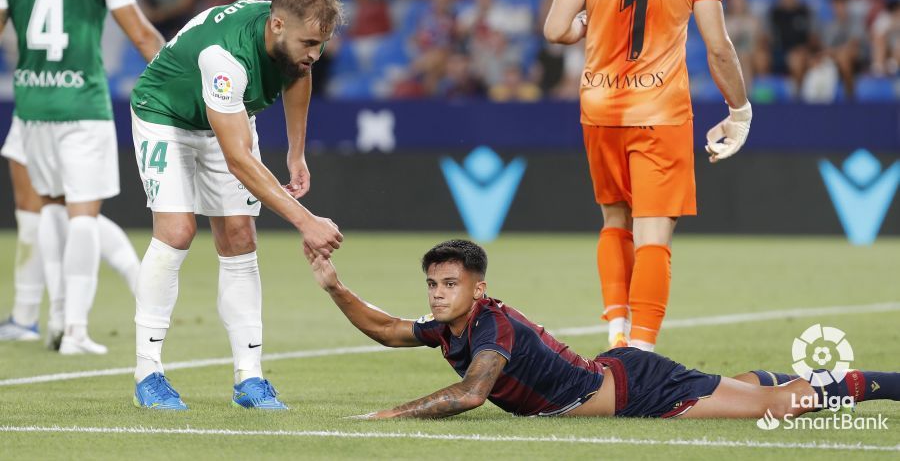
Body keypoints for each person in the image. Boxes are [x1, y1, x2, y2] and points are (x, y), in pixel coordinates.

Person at [308, 239, 900, 420]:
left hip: (638, 390)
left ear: (477, 288)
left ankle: (891, 384)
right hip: (622, 372)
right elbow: (386, 329)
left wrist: (390, 415)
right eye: (433, 284)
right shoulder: (449, 328)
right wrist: (335, 287)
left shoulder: (492, 330)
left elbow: (470, 395)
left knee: (774, 406)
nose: (438, 294)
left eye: (449, 284)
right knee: (743, 386)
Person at [543, 0, 751, 352]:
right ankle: (640, 351)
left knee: (615, 222)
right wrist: (739, 110)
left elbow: (553, 29)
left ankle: (615, 334)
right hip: (659, 113)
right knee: (654, 233)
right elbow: (718, 47)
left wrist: (583, 28)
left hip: (599, 111)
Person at [128, 0, 344, 411]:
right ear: (277, 25)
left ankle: (250, 379)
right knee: (177, 231)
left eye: (321, 44)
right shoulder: (225, 57)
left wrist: (296, 155)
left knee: (240, 238)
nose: (315, 54)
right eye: (308, 42)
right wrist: (306, 222)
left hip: (225, 115)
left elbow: (298, 76)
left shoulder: (292, 40)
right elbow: (240, 161)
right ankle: (147, 372)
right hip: (165, 115)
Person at [0, 0, 165, 354]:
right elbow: (139, 34)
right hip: (82, 106)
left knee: (50, 208)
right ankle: (74, 330)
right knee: (84, 215)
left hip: (32, 107)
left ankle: (53, 319)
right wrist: (179, 75)